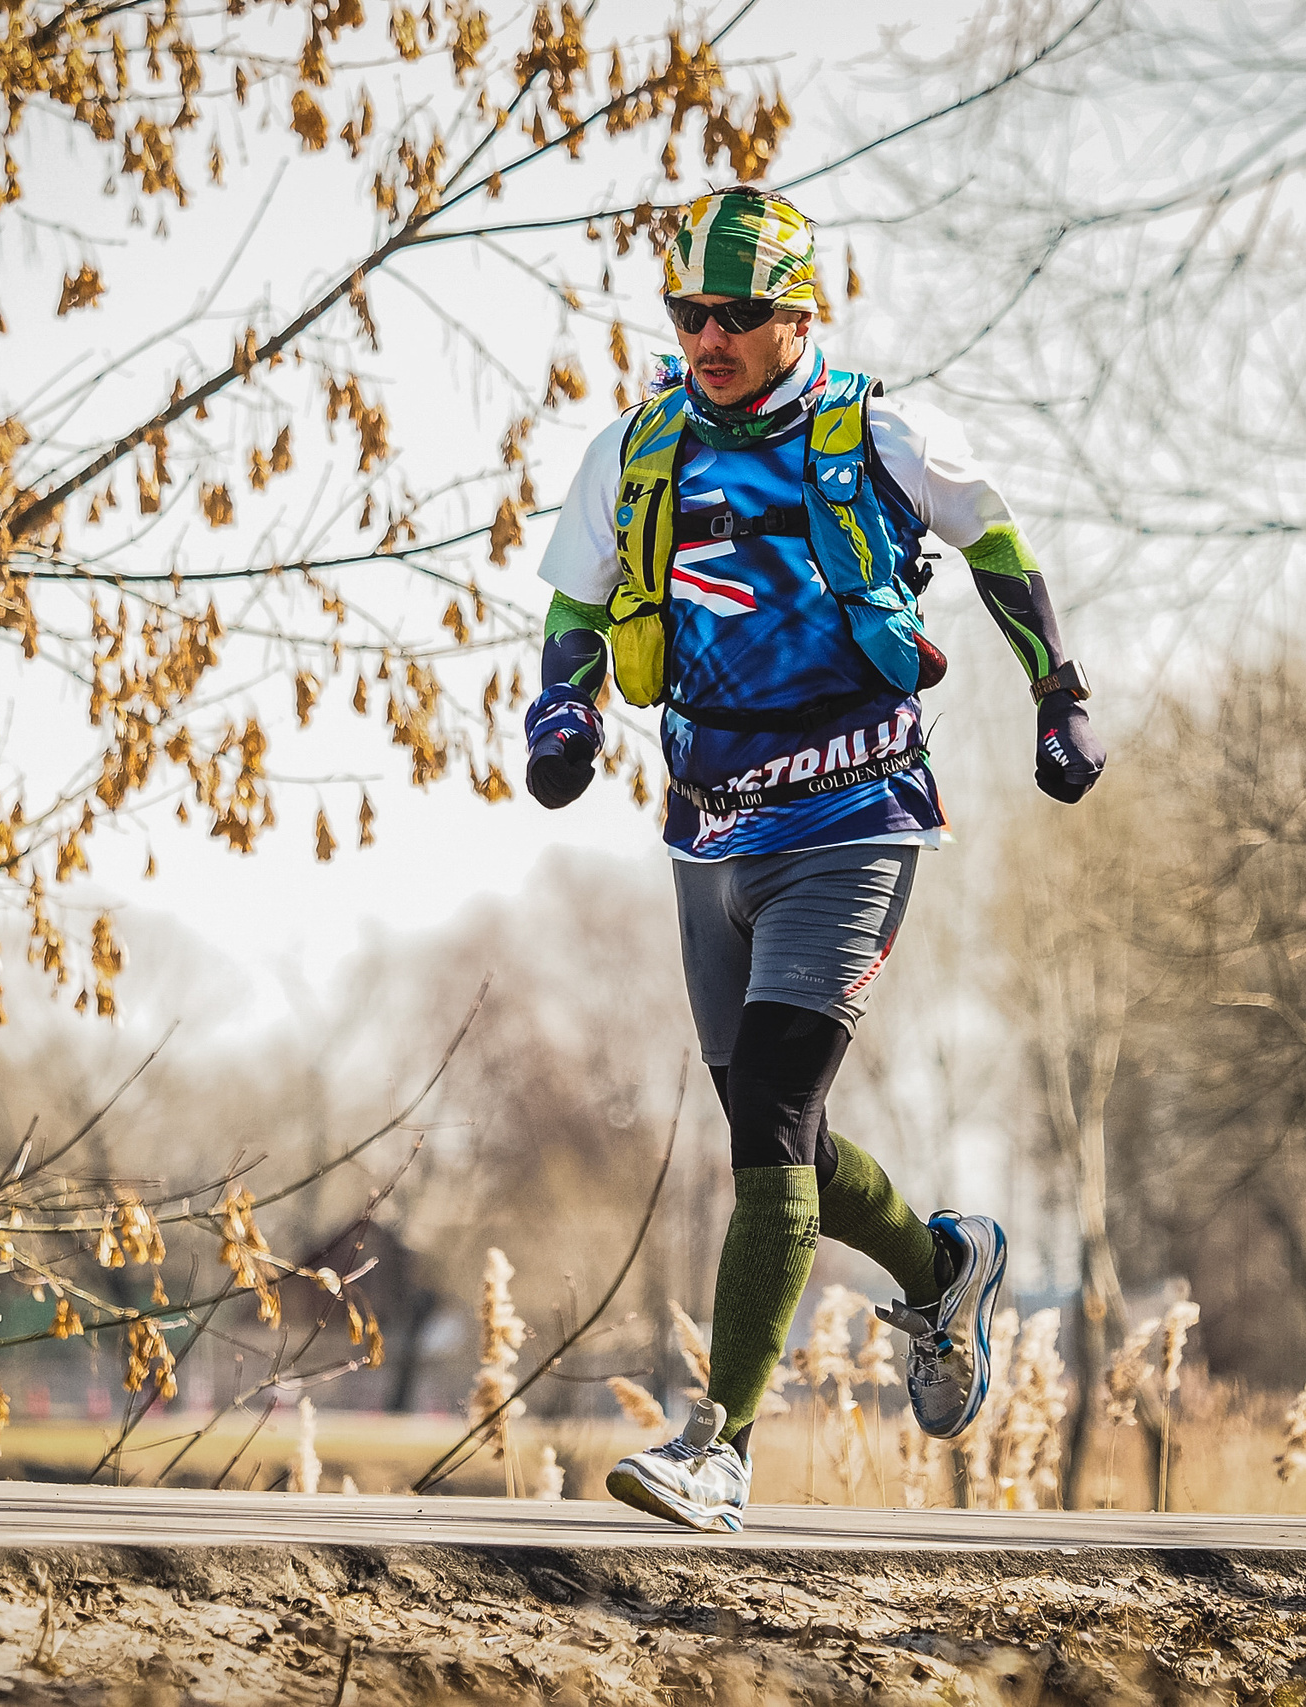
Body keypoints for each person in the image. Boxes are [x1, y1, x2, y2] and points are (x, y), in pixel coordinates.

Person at [522, 186, 1105, 1532]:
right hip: (707, 825)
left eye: (737, 315)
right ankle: (942, 1262)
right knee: (776, 1136)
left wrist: (1058, 690)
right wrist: (564, 706)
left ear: (800, 314)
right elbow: (573, 593)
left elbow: (997, 540)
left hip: (854, 815)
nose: (709, 336)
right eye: (689, 312)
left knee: (775, 1112)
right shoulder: (641, 446)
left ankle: (717, 1447)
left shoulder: (880, 433)